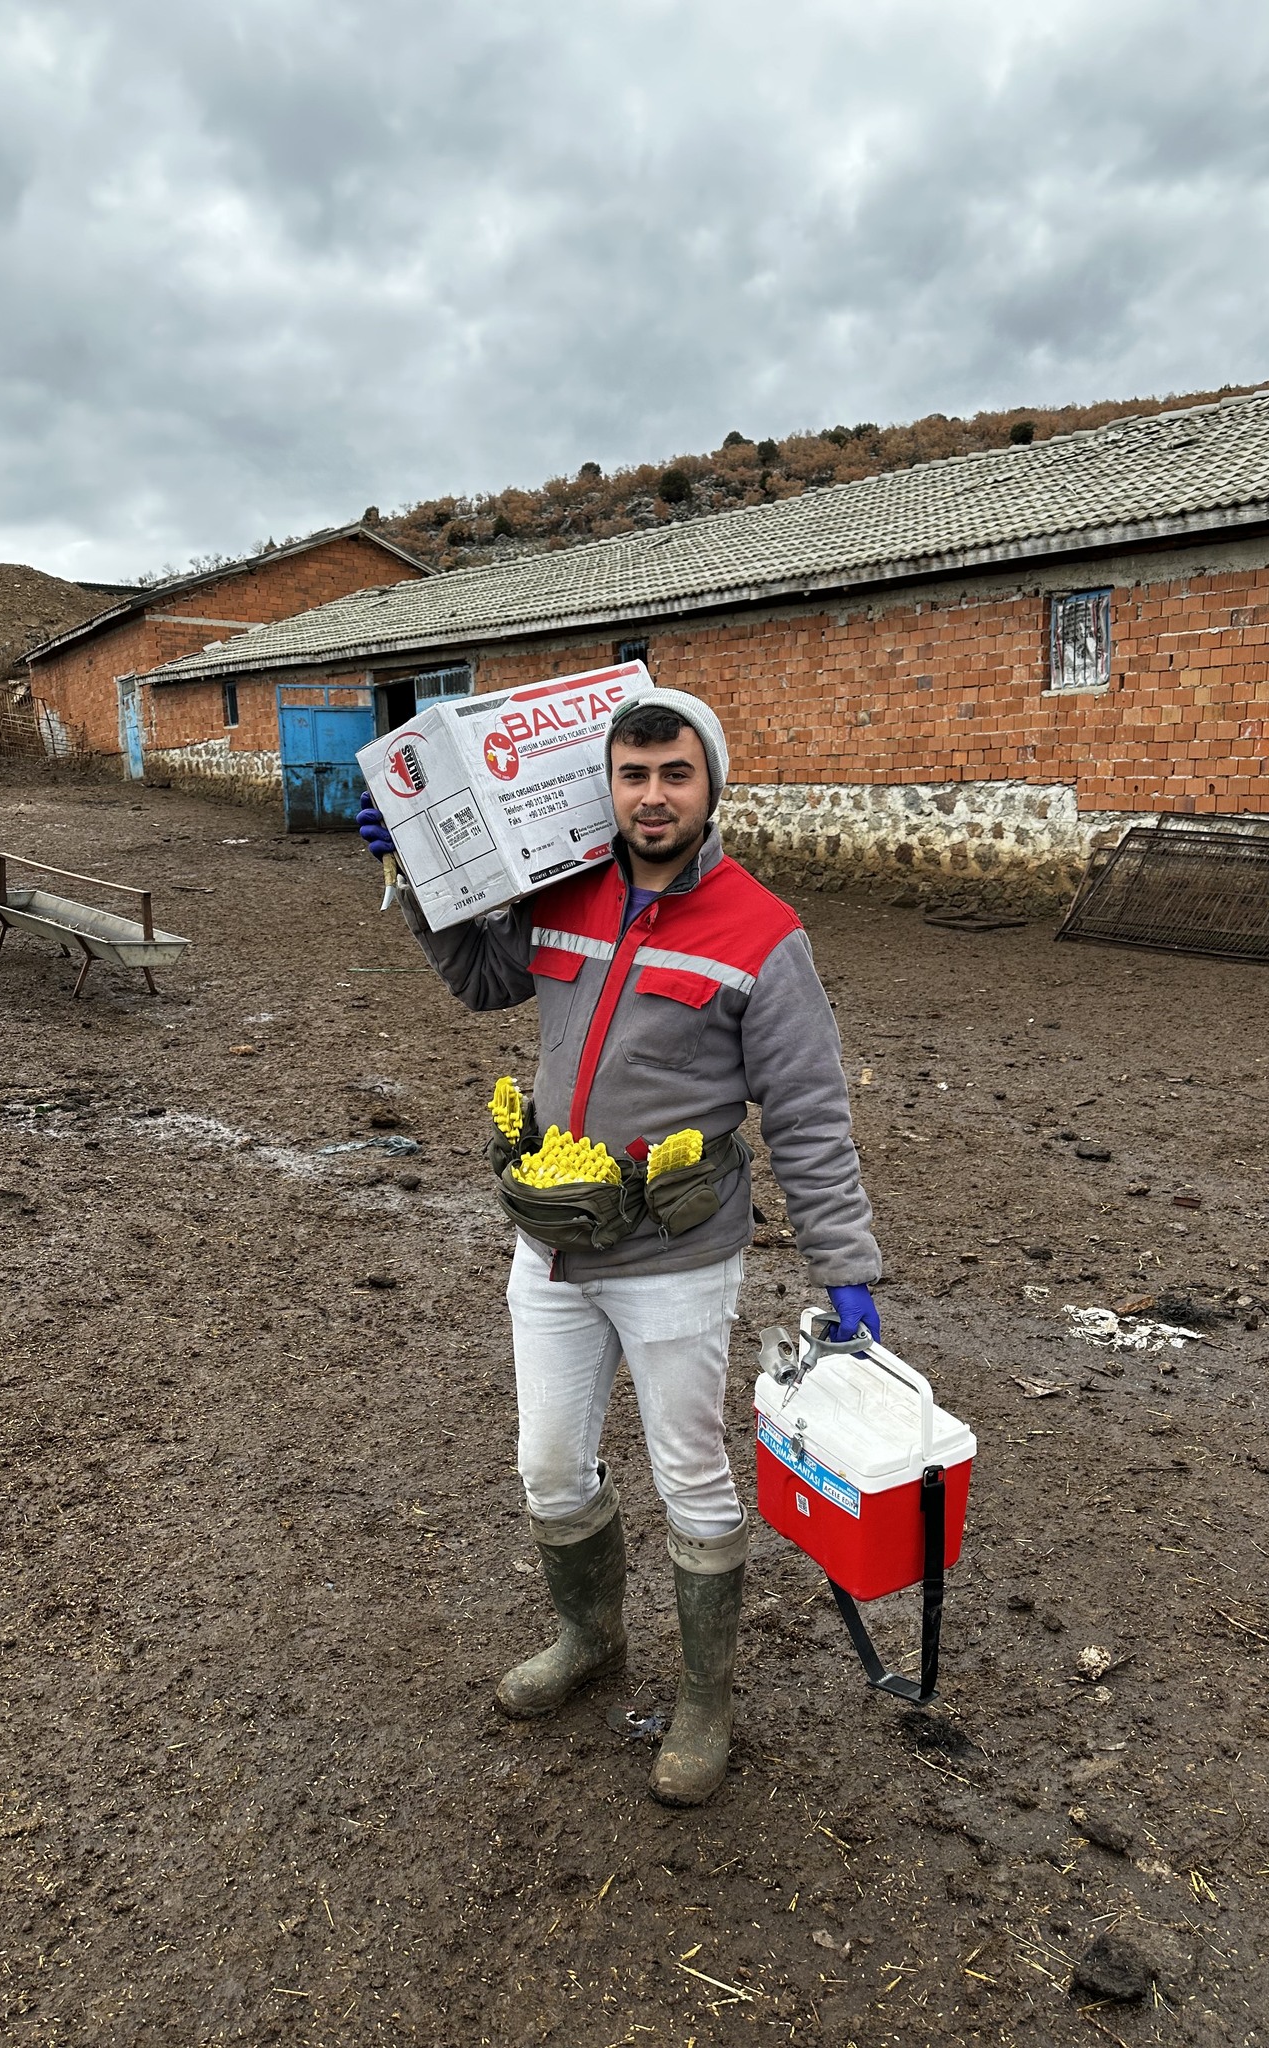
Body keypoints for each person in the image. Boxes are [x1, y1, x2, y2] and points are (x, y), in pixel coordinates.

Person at [356, 688, 880, 1805]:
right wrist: (416, 875)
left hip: (677, 1257)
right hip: (551, 1242)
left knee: (690, 1475)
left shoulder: (762, 933)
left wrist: (846, 1267)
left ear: (711, 786)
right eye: (633, 775)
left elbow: (808, 1114)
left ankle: (703, 1698)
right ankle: (588, 1637)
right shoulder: (567, 890)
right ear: (609, 782)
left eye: (674, 774)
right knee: (549, 1462)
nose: (652, 796)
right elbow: (481, 978)